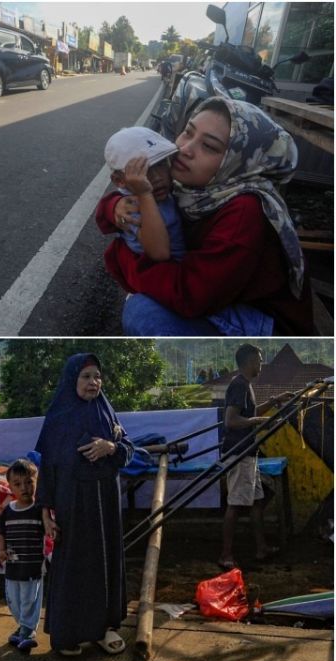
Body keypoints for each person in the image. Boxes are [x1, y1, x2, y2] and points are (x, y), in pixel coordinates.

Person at [96, 96, 314, 336]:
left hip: (264, 321)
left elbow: (189, 296)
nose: (185, 149)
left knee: (142, 312)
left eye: (209, 146)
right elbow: (127, 201)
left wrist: (124, 258)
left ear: (236, 162)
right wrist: (115, 205)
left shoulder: (244, 212)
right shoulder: (195, 188)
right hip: (216, 294)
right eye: (188, 133)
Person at [34, 354, 134, 657]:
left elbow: (128, 449)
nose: (93, 383)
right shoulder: (58, 417)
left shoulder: (107, 412)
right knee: (74, 563)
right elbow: (48, 468)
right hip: (72, 503)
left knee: (104, 560)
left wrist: (111, 446)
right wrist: (45, 514)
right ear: (71, 380)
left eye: (97, 376)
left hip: (105, 500)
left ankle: (104, 628)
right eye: (86, 377)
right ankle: (70, 632)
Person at [217, 344, 291, 571]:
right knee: (236, 504)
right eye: (259, 360)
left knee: (257, 503)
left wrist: (274, 401)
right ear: (249, 362)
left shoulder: (246, 385)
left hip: (249, 453)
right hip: (239, 454)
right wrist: (255, 423)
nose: (261, 364)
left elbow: (251, 413)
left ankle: (261, 548)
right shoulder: (238, 385)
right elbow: (231, 421)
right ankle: (225, 555)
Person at [102, 126, 185, 262]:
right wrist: (144, 194)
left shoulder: (164, 188)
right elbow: (159, 253)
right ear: (119, 180)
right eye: (143, 171)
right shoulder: (132, 208)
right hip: (166, 272)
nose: (158, 177)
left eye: (161, 164)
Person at [0, 458, 43, 653]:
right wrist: (2, 551)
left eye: (29, 482)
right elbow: (1, 532)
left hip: (32, 568)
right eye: (18, 484)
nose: (24, 488)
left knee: (29, 600)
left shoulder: (40, 510)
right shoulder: (8, 511)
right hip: (13, 568)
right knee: (13, 600)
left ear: (36, 482)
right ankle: (22, 627)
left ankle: (28, 632)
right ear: (10, 487)